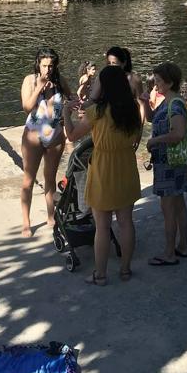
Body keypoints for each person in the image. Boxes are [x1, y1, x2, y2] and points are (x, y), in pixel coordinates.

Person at [62, 66, 142, 285]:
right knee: (126, 222)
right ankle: (125, 270)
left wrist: (65, 115)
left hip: (103, 169)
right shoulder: (132, 108)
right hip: (126, 166)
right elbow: (137, 136)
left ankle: (100, 274)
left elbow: (71, 135)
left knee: (102, 227)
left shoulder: (96, 112)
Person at [141, 62, 187, 266]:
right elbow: (154, 119)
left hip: (170, 164)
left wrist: (154, 141)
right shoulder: (168, 100)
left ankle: (169, 253)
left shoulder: (176, 103)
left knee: (169, 208)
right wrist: (144, 102)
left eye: (159, 81)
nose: (155, 85)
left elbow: (178, 134)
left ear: (170, 82)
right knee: (178, 205)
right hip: (172, 162)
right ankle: (183, 247)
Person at [20, 48, 72, 238]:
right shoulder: (29, 80)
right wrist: (39, 87)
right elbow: (26, 107)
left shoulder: (60, 81)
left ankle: (51, 216)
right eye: (44, 66)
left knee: (50, 178)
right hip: (33, 134)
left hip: (55, 134)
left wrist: (73, 106)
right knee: (28, 179)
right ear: (38, 64)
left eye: (51, 66)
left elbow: (71, 97)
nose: (48, 69)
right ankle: (26, 222)